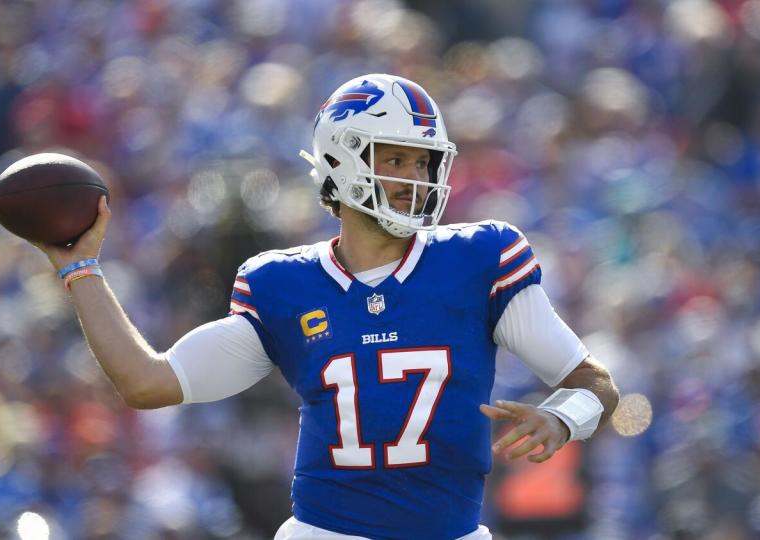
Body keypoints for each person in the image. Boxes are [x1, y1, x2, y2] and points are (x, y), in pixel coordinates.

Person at [36, 73, 620, 540]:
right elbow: (147, 383)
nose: (414, 178)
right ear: (343, 161)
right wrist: (78, 268)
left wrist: (563, 417)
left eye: (423, 162)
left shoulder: (479, 257)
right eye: (395, 160)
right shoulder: (283, 284)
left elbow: (595, 384)